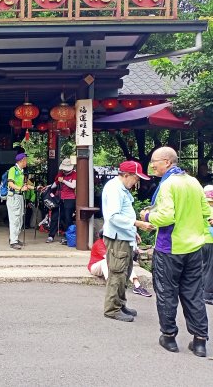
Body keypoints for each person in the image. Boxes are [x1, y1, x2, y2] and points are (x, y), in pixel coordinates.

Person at [140, 147, 210, 356]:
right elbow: (206, 211)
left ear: (168, 162)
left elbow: (166, 217)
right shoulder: (194, 181)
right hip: (194, 247)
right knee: (194, 293)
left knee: (166, 292)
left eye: (155, 161)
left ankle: (169, 337)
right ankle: (199, 342)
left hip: (170, 248)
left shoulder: (168, 184)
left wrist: (146, 216)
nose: (152, 165)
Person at [101, 160, 153, 322]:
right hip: (117, 238)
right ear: (126, 175)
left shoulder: (121, 188)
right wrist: (138, 224)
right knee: (117, 273)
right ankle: (112, 308)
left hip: (124, 236)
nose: (137, 182)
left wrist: (133, 231)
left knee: (125, 272)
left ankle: (120, 303)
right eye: (136, 178)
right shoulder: (114, 189)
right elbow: (114, 217)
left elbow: (124, 215)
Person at [88, 230, 152, 297]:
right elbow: (109, 258)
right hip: (95, 267)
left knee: (125, 262)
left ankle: (137, 286)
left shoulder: (112, 243)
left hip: (110, 264)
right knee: (106, 261)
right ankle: (111, 285)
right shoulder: (99, 243)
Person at [46, 158, 77, 244]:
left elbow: (73, 185)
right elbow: (54, 185)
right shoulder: (60, 174)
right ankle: (51, 235)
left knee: (67, 218)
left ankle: (68, 236)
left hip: (70, 198)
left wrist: (63, 180)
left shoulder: (74, 174)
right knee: (55, 216)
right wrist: (47, 188)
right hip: (58, 197)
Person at [7, 153, 32, 250]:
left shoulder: (21, 171)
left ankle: (15, 238)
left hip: (20, 196)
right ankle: (13, 241)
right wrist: (20, 188)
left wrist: (35, 188)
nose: (27, 162)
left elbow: (25, 185)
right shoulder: (13, 170)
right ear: (21, 160)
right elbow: (10, 184)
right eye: (26, 160)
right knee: (15, 219)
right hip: (14, 196)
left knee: (20, 219)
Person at [203, 185, 213, 305]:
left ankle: (202, 292)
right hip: (210, 241)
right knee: (210, 269)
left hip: (202, 240)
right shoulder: (210, 208)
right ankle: (208, 294)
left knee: (204, 267)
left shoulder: (201, 206)